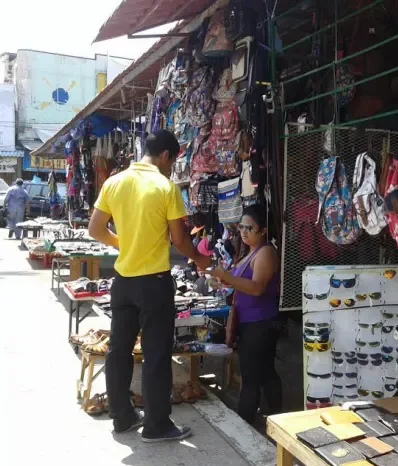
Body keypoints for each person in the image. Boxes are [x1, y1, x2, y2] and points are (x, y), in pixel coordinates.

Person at [88, 130, 212, 442]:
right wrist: (202, 260)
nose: (172, 167)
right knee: (156, 354)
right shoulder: (165, 186)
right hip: (154, 283)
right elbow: (180, 240)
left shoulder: (114, 182)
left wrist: (124, 245)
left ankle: (122, 418)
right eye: (173, 161)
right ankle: (157, 425)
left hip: (123, 282)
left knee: (119, 351)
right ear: (166, 156)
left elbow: (95, 229)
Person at [209, 205, 283, 424]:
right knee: (264, 370)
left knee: (252, 374)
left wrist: (228, 278)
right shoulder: (249, 252)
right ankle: (276, 414)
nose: (243, 231)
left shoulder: (266, 252)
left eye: (249, 227)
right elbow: (238, 282)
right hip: (252, 321)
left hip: (261, 322)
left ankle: (245, 420)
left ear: (263, 230)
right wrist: (220, 280)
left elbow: (257, 287)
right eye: (241, 227)